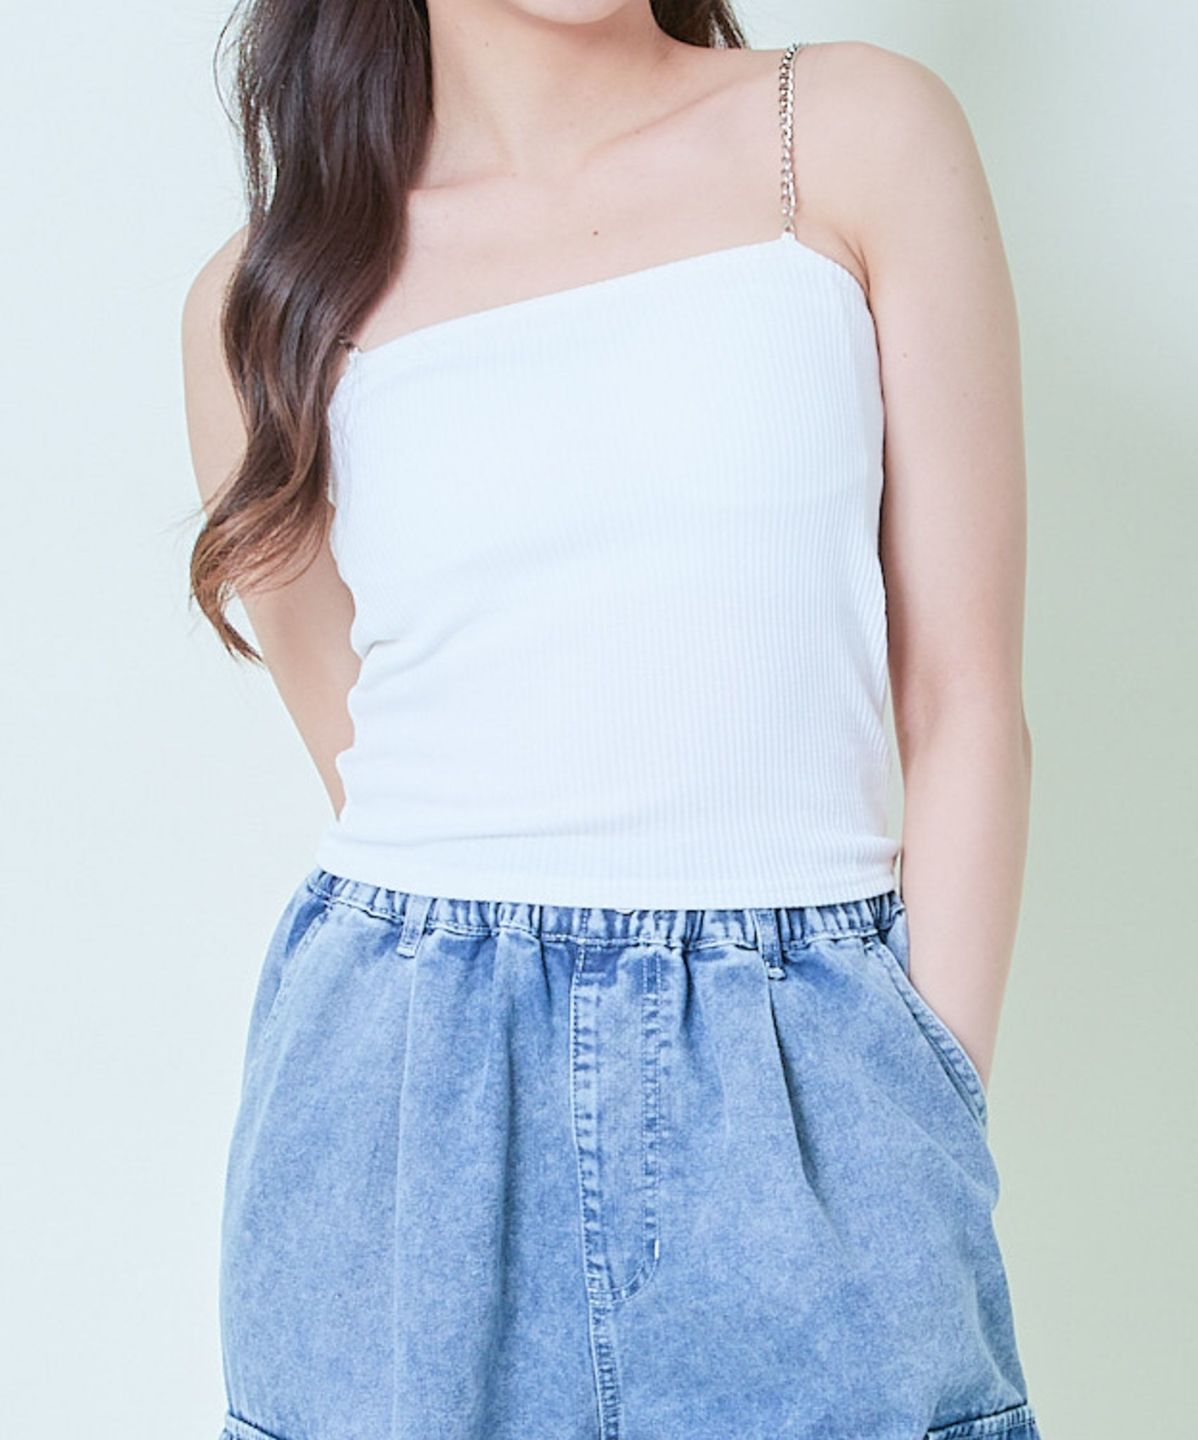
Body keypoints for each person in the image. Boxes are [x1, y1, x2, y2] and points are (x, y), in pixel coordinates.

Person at [181, 7, 1040, 1439]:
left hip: (805, 1065)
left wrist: (918, 1100)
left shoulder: (842, 138)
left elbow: (962, 699)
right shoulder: (267, 301)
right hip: (402, 1098)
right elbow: (357, 746)